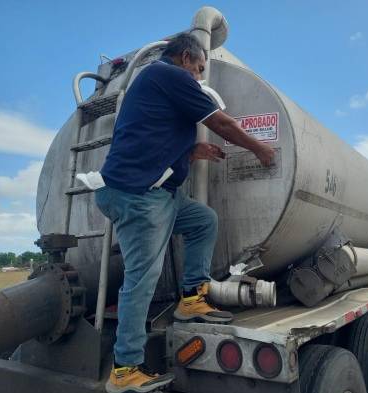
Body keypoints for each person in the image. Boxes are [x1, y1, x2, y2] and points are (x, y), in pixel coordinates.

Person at [96, 33, 275, 393]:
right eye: (199, 67)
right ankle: (125, 370)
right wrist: (260, 149)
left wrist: (191, 154)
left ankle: (192, 298)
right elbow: (220, 122)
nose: (199, 75)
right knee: (142, 279)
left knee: (202, 220)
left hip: (155, 193)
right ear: (185, 57)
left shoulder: (152, 81)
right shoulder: (168, 74)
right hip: (141, 196)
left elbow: (149, 135)